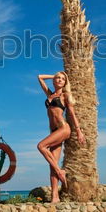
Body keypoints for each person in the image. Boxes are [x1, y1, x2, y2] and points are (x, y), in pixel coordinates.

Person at [37, 71, 85, 203]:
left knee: (41, 146)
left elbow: (72, 114)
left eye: (62, 79)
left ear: (65, 83)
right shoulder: (50, 94)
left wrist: (79, 131)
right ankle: (55, 197)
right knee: (52, 165)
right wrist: (54, 75)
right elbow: (40, 77)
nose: (59, 80)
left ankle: (60, 171)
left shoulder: (65, 95)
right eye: (58, 78)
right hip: (54, 132)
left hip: (63, 129)